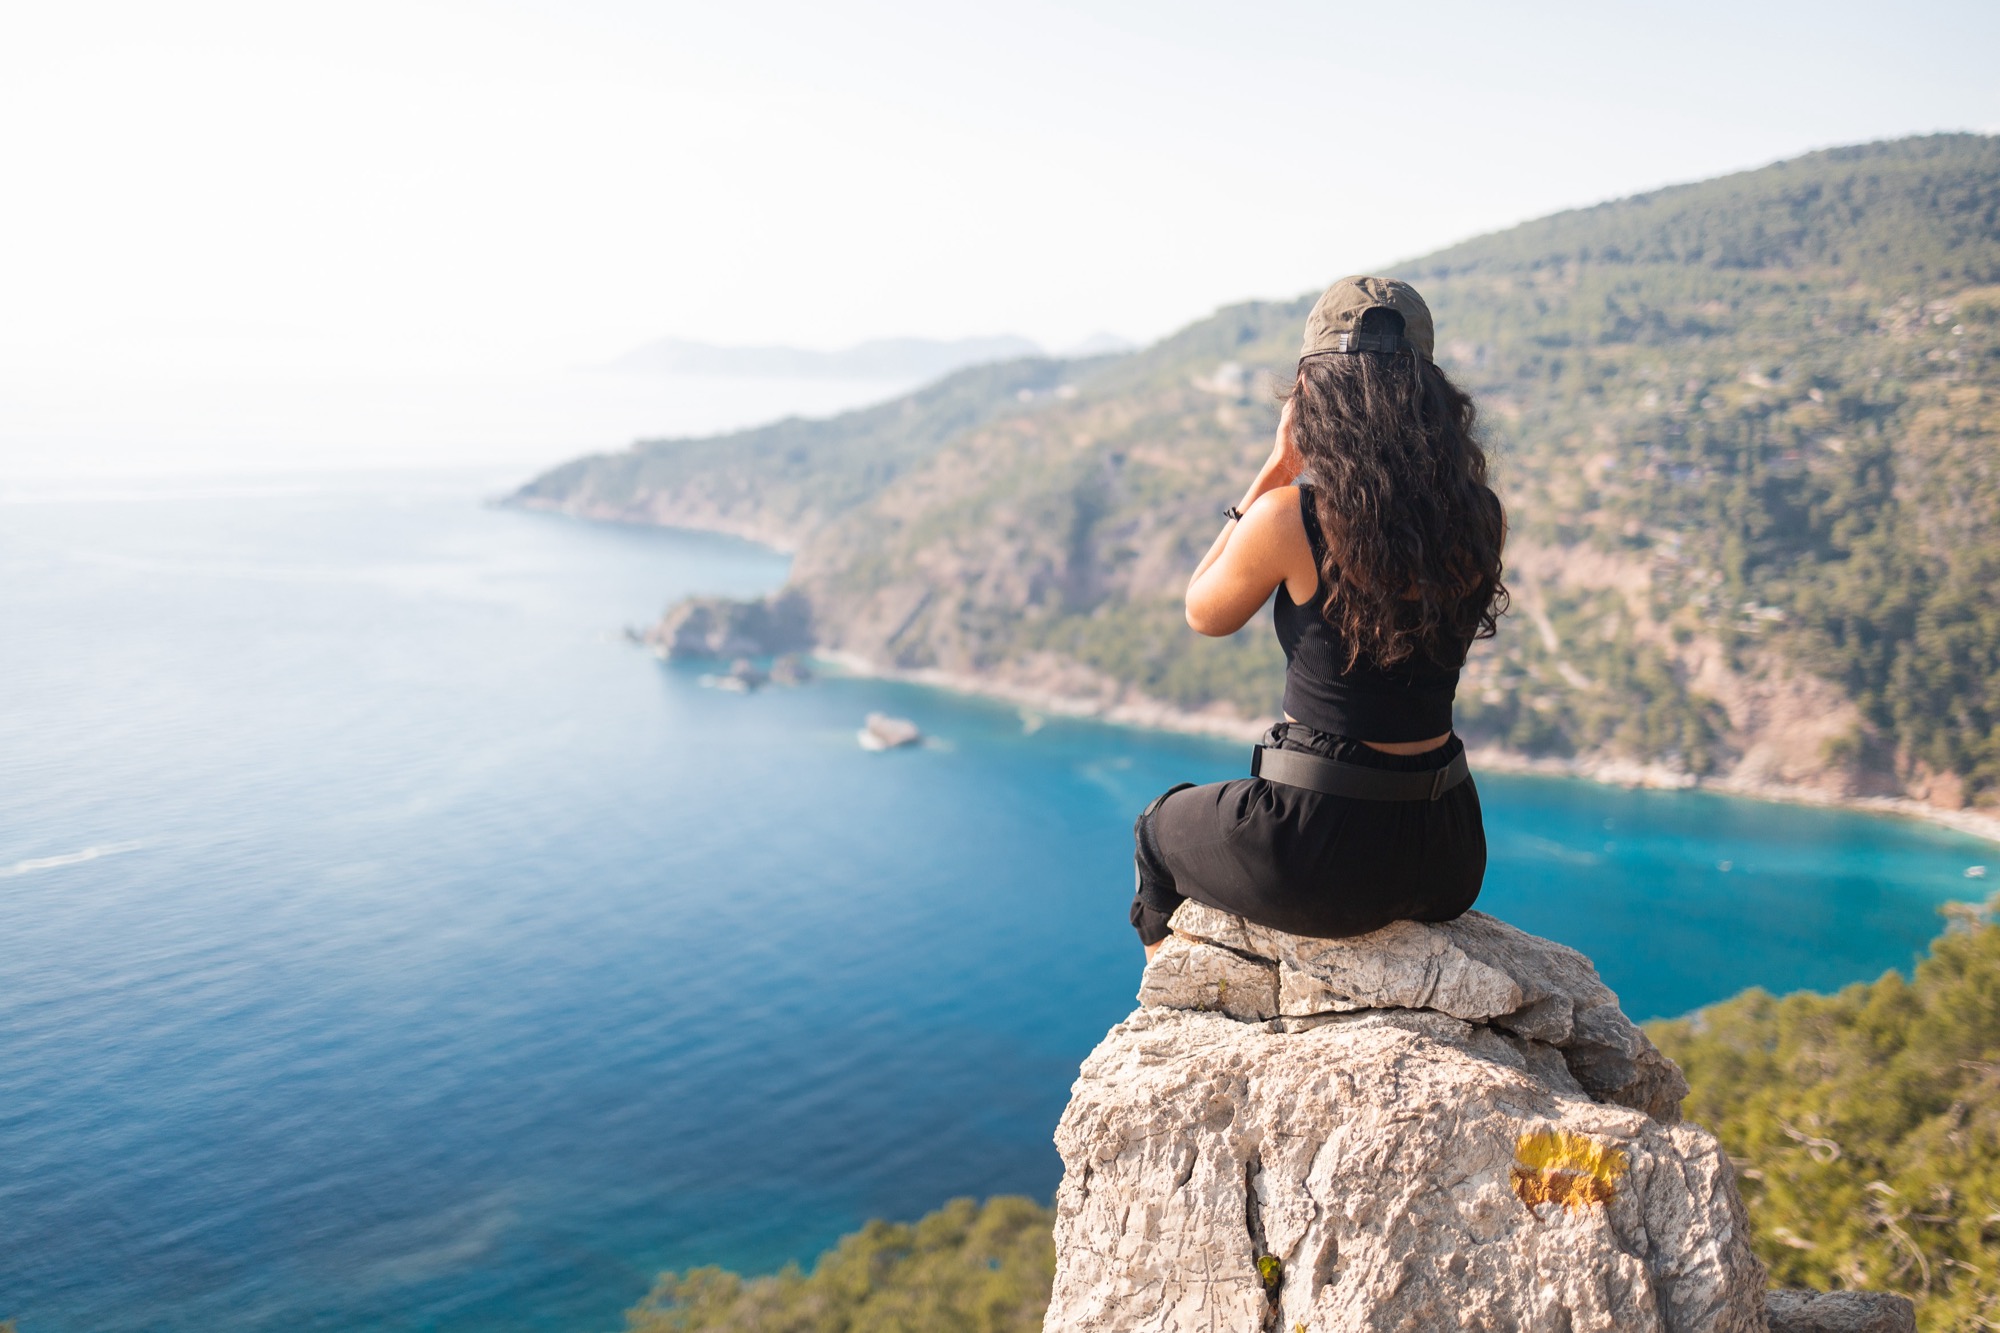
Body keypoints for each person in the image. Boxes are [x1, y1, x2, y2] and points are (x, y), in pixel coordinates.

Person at [1130, 276, 1507, 959]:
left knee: (1156, 832)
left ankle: (1165, 1003)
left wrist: (1277, 467)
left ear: (1313, 393)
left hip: (1317, 856)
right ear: (1430, 394)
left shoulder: (1293, 518)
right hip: (1449, 851)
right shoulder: (1480, 515)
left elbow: (1203, 609)